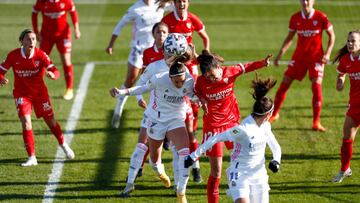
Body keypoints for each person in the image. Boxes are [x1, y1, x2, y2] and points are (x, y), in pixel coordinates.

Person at [110, 61, 196, 203]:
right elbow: (141, 88)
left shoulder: (189, 80)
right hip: (156, 120)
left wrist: (199, 100)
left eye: (181, 81)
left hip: (176, 120)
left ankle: (181, 192)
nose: (180, 84)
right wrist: (121, 92)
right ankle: (160, 172)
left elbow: (191, 95)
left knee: (184, 154)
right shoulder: (159, 79)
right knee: (154, 160)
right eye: (176, 82)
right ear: (170, 78)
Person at [185, 76, 281, 203]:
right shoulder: (243, 129)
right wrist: (193, 156)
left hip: (259, 175)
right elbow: (216, 138)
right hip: (240, 174)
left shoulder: (266, 126)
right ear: (268, 114)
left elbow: (275, 146)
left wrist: (276, 161)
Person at [195, 50, 272, 203]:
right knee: (216, 172)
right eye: (208, 76)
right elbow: (195, 92)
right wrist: (202, 99)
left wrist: (262, 63)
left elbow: (247, 66)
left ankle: (246, 188)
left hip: (232, 123)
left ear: (218, 66)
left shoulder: (230, 72)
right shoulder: (200, 82)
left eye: (213, 74)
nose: (212, 78)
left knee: (244, 159)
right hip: (212, 127)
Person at [0, 29, 75, 166]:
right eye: (28, 39)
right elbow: (1, 71)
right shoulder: (13, 55)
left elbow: (55, 70)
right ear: (21, 41)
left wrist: (53, 75)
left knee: (51, 122)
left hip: (40, 94)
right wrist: (1, 78)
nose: (32, 42)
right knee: (26, 123)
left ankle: (63, 144)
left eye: (34, 39)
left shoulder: (41, 55)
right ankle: (32, 157)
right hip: (22, 95)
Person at [119, 22, 169, 198]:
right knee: (141, 146)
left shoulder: (178, 55)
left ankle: (181, 188)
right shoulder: (150, 56)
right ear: (153, 34)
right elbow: (143, 80)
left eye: (164, 32)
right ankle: (129, 183)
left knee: (182, 150)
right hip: (154, 109)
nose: (161, 35)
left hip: (174, 112)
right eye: (158, 32)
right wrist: (139, 98)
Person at [269, 0, 335, 132]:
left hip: (316, 58)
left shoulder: (321, 17)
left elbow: (331, 36)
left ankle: (316, 122)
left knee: (316, 87)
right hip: (299, 58)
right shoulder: (295, 18)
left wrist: (327, 54)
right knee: (284, 83)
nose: (306, 2)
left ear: (313, 1)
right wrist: (280, 53)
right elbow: (290, 37)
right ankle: (274, 113)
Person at [106, 0, 171, 128]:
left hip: (156, 50)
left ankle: (161, 117)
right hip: (139, 50)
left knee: (160, 81)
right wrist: (111, 44)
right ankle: (118, 110)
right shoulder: (135, 9)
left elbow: (181, 6)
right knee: (131, 79)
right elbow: (120, 25)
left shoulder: (160, 4)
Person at [32, 0, 81, 100]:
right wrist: (36, 32)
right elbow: (34, 13)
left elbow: (73, 11)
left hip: (63, 35)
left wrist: (76, 29)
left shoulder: (66, 1)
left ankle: (69, 89)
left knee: (66, 60)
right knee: (41, 61)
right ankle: (36, 90)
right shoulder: (42, 1)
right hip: (46, 36)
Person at [332, 30, 360, 183]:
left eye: (353, 41)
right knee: (347, 139)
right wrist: (340, 81)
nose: (350, 44)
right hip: (355, 105)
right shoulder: (345, 60)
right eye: (349, 41)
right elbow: (342, 73)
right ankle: (344, 170)